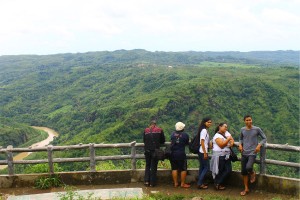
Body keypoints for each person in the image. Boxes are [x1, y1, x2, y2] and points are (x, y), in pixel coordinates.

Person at [239, 115, 267, 196]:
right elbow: (240, 138)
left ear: (252, 120)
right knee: (244, 172)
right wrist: (240, 145)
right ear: (244, 121)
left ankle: (252, 173)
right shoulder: (242, 129)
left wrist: (259, 145)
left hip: (252, 153)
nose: (248, 122)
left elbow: (264, 138)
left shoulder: (257, 129)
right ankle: (246, 189)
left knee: (248, 167)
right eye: (247, 120)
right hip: (244, 153)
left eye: (250, 120)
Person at [210, 123, 234, 190]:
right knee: (219, 171)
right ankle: (217, 184)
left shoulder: (226, 133)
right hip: (219, 156)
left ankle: (218, 183)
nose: (226, 128)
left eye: (226, 127)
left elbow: (232, 139)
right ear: (220, 127)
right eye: (224, 127)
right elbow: (221, 145)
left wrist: (231, 142)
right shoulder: (217, 136)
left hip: (226, 155)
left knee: (228, 170)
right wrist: (228, 139)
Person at [143, 120, 165, 187]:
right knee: (154, 166)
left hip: (147, 151)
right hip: (155, 151)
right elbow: (163, 140)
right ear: (155, 124)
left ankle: (146, 181)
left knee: (147, 165)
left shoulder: (146, 130)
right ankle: (152, 183)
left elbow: (144, 140)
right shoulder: (160, 130)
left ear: (150, 125)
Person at [170, 122, 190, 188]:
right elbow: (187, 142)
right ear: (182, 128)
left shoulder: (172, 134)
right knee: (183, 169)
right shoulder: (185, 135)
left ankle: (175, 183)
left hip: (173, 153)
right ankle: (182, 184)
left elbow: (171, 141)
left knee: (174, 168)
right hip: (181, 153)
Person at [197, 117, 212, 189]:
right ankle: (200, 183)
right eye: (208, 122)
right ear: (204, 123)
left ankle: (200, 182)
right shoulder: (204, 131)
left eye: (210, 122)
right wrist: (205, 153)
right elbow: (202, 141)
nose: (209, 123)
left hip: (201, 151)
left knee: (202, 167)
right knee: (206, 167)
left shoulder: (204, 130)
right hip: (203, 151)